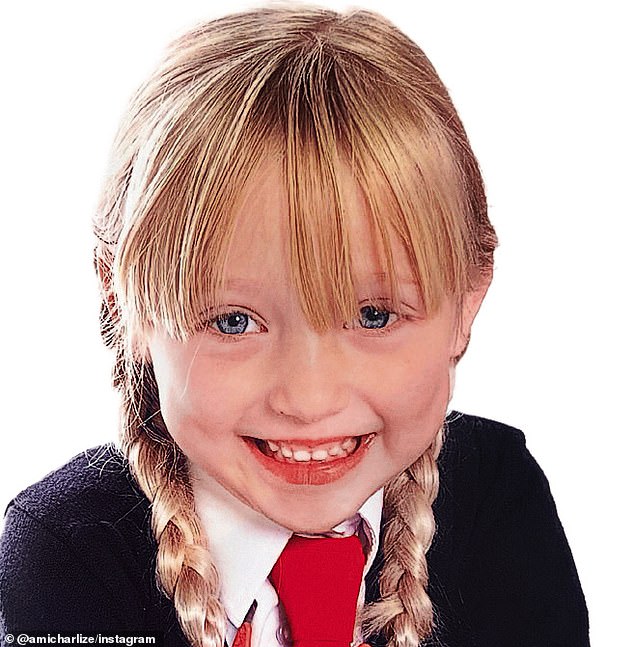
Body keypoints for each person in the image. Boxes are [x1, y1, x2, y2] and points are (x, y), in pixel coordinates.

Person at [0, 6, 589, 647]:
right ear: (127, 307)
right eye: (233, 322)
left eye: (374, 316)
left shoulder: (495, 498)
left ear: (468, 303)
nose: (309, 402)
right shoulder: (70, 551)